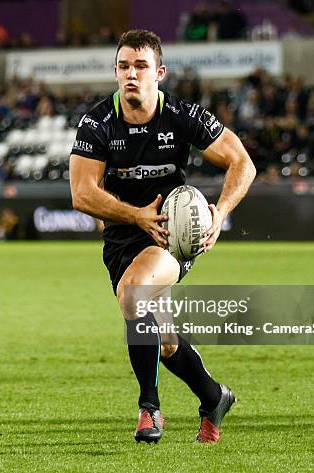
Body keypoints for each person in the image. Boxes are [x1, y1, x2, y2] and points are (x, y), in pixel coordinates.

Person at [69, 30, 255, 444]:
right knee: (165, 342)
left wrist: (219, 214)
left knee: (133, 294)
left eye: (140, 66)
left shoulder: (182, 116)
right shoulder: (98, 122)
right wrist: (136, 216)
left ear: (160, 72)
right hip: (123, 236)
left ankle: (149, 409)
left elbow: (241, 161)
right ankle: (214, 396)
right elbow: (81, 194)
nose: (130, 74)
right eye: (123, 66)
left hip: (172, 236)